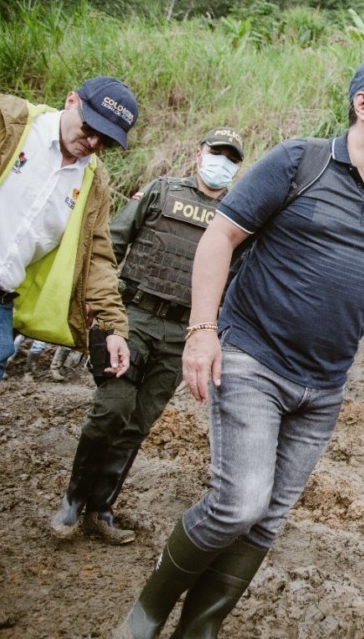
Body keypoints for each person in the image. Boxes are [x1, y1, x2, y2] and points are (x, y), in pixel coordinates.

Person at [113, 54, 364, 639]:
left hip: (322, 388)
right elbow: (220, 237)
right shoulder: (300, 162)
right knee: (238, 504)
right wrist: (201, 330)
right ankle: (144, 617)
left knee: (267, 520)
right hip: (251, 359)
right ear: (362, 104)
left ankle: (200, 630)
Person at [0, 76, 137, 565]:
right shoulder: (2, 119)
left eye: (105, 140)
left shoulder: (93, 181)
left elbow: (96, 257)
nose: (91, 142)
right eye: (90, 126)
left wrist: (113, 326)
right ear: (71, 100)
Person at [49, 127, 245, 545]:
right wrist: (92, 305)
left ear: (238, 167)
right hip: (132, 316)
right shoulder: (161, 191)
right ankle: (72, 500)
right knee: (112, 408)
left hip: (182, 333)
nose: (222, 163)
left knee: (138, 423)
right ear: (198, 153)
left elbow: (240, 280)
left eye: (231, 158)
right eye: (217, 153)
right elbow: (111, 244)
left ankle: (101, 510)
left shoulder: (237, 217)